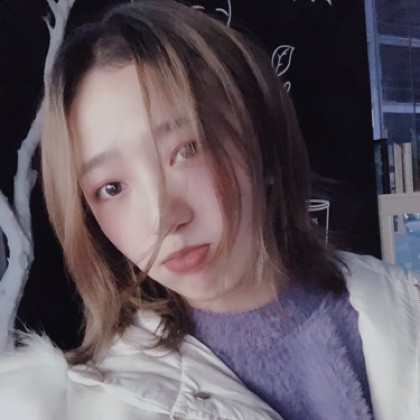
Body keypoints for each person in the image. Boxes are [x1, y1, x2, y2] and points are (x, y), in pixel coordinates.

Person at [0, 1, 418, 419]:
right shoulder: (106, 408)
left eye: (187, 150)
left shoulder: (405, 309)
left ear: (261, 141)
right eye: (111, 188)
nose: (163, 218)